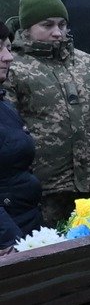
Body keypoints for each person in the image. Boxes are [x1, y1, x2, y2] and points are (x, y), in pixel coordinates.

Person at [7, 0, 90, 230]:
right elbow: (9, 132)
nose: (57, 32)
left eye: (62, 25)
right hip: (43, 192)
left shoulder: (87, 63)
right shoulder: (14, 68)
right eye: (47, 25)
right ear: (27, 29)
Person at [0, 38, 42, 246]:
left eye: (8, 48)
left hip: (25, 225)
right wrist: (8, 239)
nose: (8, 57)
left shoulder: (5, 106)